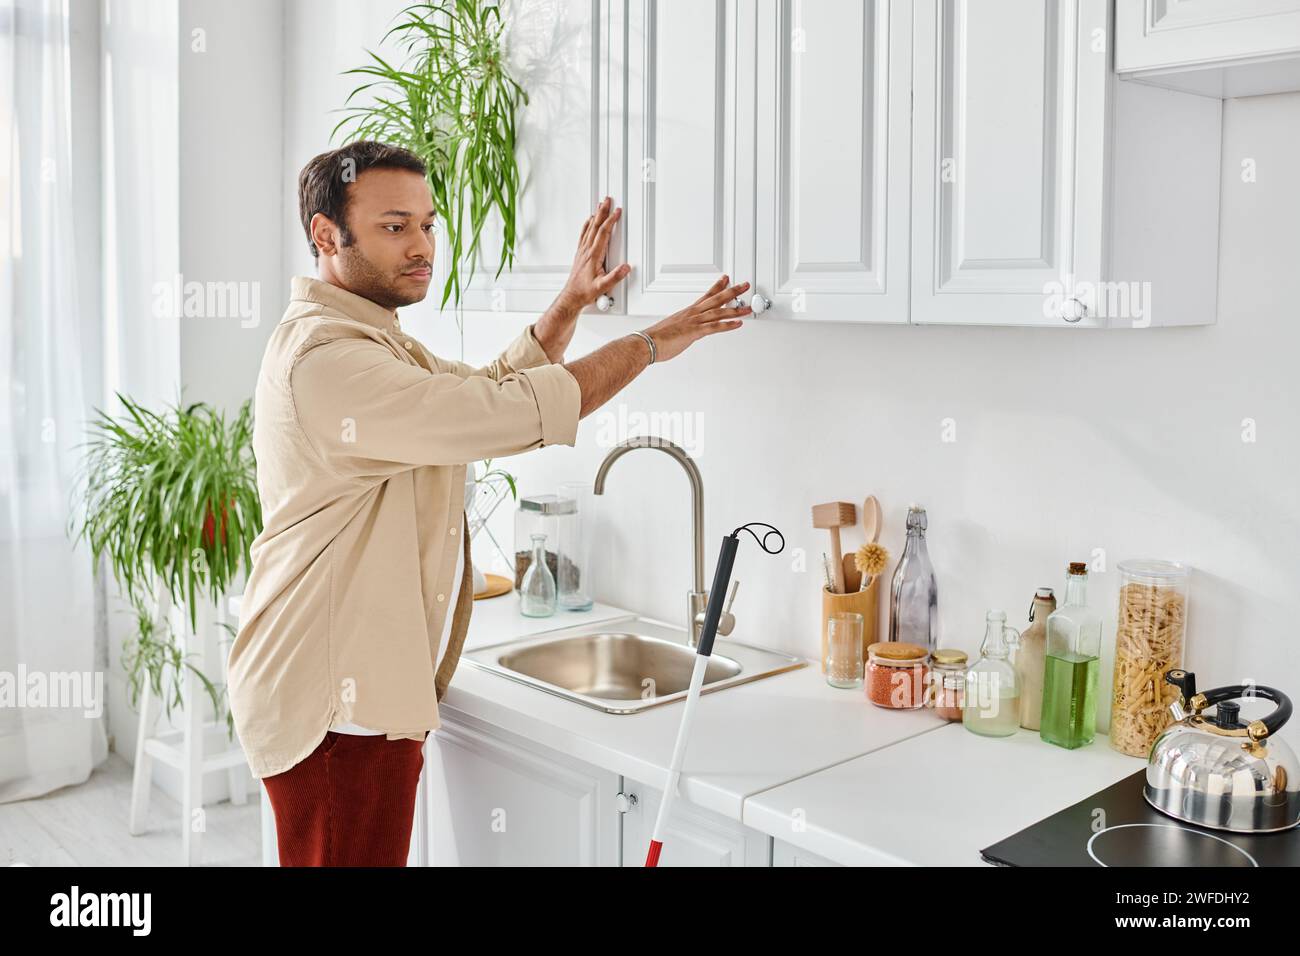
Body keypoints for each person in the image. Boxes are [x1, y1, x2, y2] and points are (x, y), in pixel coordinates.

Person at [227, 140, 750, 866]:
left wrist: (567, 305)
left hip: (353, 697)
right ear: (326, 235)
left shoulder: (368, 339)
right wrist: (655, 341)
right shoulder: (330, 361)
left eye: (428, 224)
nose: (421, 246)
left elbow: (484, 392)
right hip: (335, 711)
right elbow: (504, 417)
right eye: (393, 226)